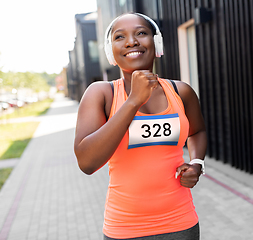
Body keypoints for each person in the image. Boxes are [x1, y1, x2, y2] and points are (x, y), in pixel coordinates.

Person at [74, 12, 207, 240]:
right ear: (110, 52)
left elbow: (197, 131)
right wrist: (133, 100)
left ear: (156, 44)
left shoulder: (180, 91)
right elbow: (87, 163)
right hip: (124, 229)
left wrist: (196, 163)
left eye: (141, 33)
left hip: (181, 224)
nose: (131, 41)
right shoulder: (101, 94)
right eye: (120, 37)